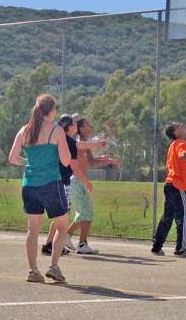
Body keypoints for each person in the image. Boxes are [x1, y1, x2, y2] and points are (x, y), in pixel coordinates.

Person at [8, 94, 71, 283]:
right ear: (50, 111)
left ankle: (33, 270)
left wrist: (28, 163)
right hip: (51, 184)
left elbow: (12, 158)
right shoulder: (56, 130)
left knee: (33, 229)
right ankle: (54, 267)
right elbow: (66, 160)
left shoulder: (24, 131)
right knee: (62, 226)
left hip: (29, 185)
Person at [42, 114, 104, 256]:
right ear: (68, 126)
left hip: (57, 181)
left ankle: (49, 245)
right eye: (74, 123)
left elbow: (80, 145)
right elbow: (76, 160)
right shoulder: (66, 140)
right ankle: (51, 245)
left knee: (60, 217)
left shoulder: (61, 139)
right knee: (62, 217)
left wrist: (95, 145)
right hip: (62, 182)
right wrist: (87, 182)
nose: (77, 125)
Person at [66, 117, 119, 255]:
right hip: (77, 180)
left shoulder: (86, 144)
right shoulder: (77, 141)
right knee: (86, 213)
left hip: (81, 181)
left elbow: (90, 162)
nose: (91, 127)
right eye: (88, 125)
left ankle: (66, 235)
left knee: (84, 213)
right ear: (81, 128)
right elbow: (79, 147)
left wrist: (105, 161)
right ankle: (81, 244)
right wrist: (97, 144)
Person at [151, 121, 186, 258]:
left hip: (170, 184)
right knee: (183, 217)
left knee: (167, 217)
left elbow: (175, 164)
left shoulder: (173, 145)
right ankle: (181, 249)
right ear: (175, 132)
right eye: (178, 125)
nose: (182, 124)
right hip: (178, 186)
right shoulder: (181, 143)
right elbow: (183, 155)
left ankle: (156, 246)